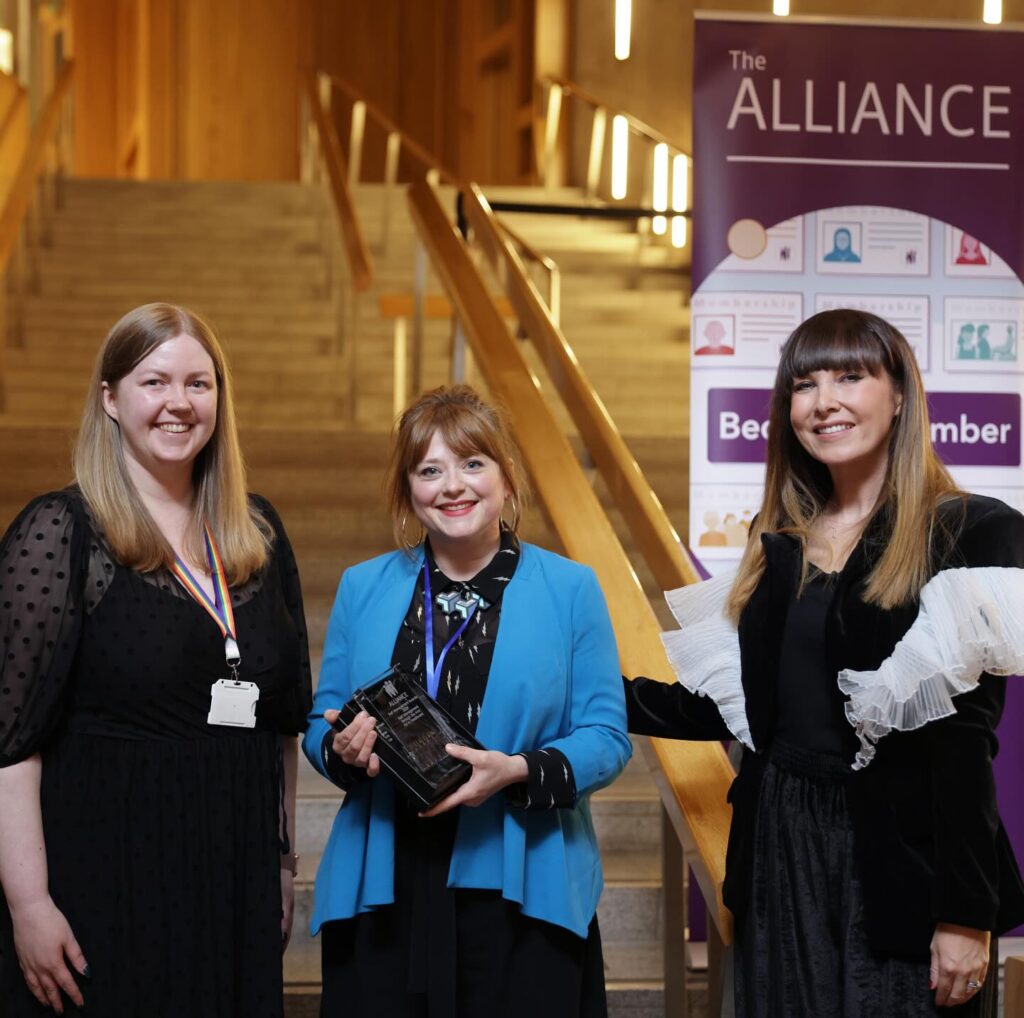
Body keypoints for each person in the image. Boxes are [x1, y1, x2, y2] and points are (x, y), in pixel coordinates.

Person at [625, 309, 1024, 1016]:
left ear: (899, 395)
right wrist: (589, 690)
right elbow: (741, 707)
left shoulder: (973, 529)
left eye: (850, 376)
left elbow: (964, 743)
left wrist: (967, 913)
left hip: (901, 862)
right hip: (781, 844)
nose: (824, 401)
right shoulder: (776, 537)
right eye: (803, 384)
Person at [0, 304, 312, 1016]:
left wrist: (282, 864)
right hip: (101, 877)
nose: (179, 403)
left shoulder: (258, 533)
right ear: (110, 398)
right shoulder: (60, 532)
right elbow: (9, 745)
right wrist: (28, 903)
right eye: (155, 382)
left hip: (232, 871)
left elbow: (283, 728)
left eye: (199, 384)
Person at [303, 384, 631, 1018]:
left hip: (519, 875)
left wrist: (516, 771)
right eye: (430, 470)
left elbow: (607, 737)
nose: (453, 485)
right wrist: (341, 750)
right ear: (408, 491)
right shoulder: (362, 586)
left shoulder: (570, 588)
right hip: (385, 876)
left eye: (473, 463)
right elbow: (322, 723)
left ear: (507, 479)